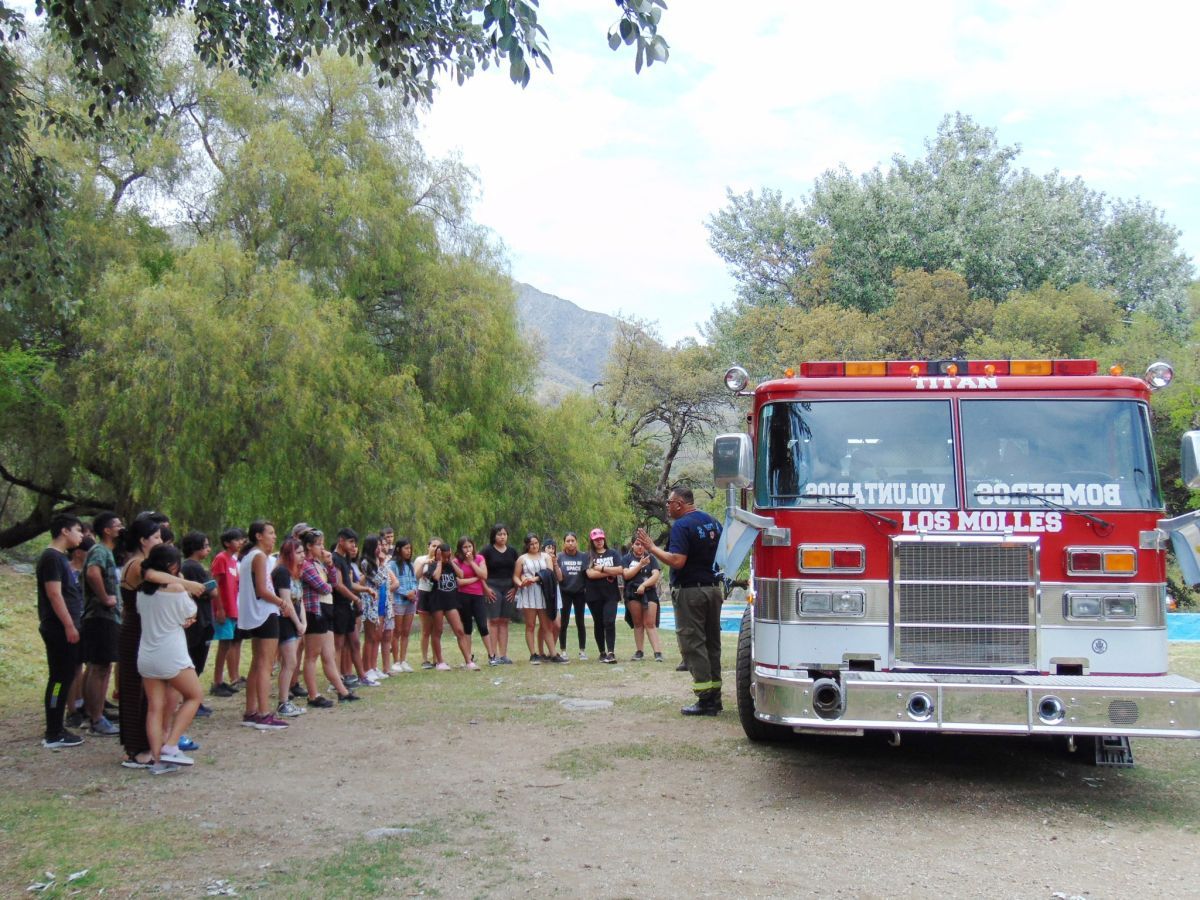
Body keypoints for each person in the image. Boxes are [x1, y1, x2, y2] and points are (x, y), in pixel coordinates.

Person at [118, 516, 205, 768]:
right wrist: (186, 583)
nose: (159, 541)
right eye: (156, 537)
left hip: (144, 633)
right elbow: (154, 575)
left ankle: (153, 748)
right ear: (143, 540)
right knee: (137, 696)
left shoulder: (142, 568)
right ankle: (138, 748)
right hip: (140, 632)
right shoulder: (139, 566)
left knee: (150, 700)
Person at [636, 486, 724, 716]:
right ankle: (716, 697)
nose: (666, 506)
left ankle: (705, 700)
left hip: (691, 592)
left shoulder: (682, 526)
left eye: (669, 502)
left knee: (693, 643)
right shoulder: (712, 521)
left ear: (680, 504)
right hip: (713, 589)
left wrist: (652, 548)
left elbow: (677, 561)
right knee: (712, 642)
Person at [137, 544, 203, 767]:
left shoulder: (141, 591)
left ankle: (157, 759)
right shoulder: (175, 589)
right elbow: (190, 611)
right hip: (171, 653)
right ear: (173, 566)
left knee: (155, 707)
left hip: (146, 654)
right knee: (194, 696)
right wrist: (184, 585)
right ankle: (172, 744)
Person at [37, 514, 86, 749]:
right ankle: (53, 732)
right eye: (77, 530)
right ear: (64, 531)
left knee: (65, 676)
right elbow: (54, 594)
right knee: (59, 679)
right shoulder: (51, 558)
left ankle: (57, 728)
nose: (81, 535)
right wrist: (68, 625)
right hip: (58, 629)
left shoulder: (60, 558)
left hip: (67, 627)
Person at [237, 521, 289, 730]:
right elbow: (262, 589)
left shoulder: (251, 556)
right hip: (264, 613)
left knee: (257, 663)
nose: (274, 536)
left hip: (254, 614)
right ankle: (264, 713)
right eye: (270, 532)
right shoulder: (258, 556)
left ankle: (251, 710)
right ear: (258, 536)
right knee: (265, 665)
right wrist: (281, 602)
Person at [297, 530, 358, 706]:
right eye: (318, 544)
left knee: (329, 655)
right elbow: (324, 587)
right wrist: (329, 584)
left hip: (326, 609)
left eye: (323, 544)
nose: (322, 548)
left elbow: (331, 581)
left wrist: (330, 564)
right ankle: (313, 695)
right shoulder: (307, 565)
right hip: (315, 611)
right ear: (309, 546)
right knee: (311, 655)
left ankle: (343, 692)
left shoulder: (319, 564)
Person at [80, 511, 123, 737]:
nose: (121, 528)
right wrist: (106, 598)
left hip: (106, 617)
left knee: (99, 667)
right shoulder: (100, 550)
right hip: (100, 616)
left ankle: (94, 714)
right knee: (100, 668)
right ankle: (96, 718)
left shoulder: (108, 552)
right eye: (118, 525)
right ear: (107, 530)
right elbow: (92, 572)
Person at [179, 531, 216, 721]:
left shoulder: (192, 566)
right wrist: (211, 590)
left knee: (197, 660)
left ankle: (192, 699)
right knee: (195, 660)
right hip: (199, 619)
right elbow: (207, 590)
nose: (208, 549)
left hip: (202, 617)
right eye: (206, 545)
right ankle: (190, 699)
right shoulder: (192, 567)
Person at [425, 542, 478, 670]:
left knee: (459, 630)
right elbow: (436, 577)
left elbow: (461, 575)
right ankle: (440, 662)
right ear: (438, 554)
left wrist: (450, 561)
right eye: (443, 555)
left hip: (451, 601)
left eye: (448, 555)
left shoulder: (450, 564)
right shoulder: (432, 565)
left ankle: (468, 661)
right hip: (437, 601)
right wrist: (439, 562)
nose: (445, 558)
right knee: (438, 631)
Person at [271, 537, 307, 717]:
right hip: (285, 622)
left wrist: (303, 622)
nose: (302, 556)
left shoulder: (294, 574)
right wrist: (298, 623)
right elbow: (286, 602)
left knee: (291, 662)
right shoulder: (282, 572)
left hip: (295, 622)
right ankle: (283, 702)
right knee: (290, 662)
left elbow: (300, 600)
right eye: (298, 553)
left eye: (303, 552)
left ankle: (285, 700)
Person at [330, 528, 370, 687]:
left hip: (347, 606)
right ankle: (336, 679)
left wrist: (366, 589)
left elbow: (349, 583)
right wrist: (354, 597)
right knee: (338, 644)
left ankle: (362, 676)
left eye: (354, 542)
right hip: (338, 605)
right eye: (351, 542)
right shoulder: (335, 559)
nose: (354, 546)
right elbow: (338, 585)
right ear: (341, 540)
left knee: (354, 641)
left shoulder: (345, 559)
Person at [209, 527, 246, 697]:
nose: (240, 542)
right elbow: (214, 584)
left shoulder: (233, 561)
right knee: (223, 645)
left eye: (241, 539)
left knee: (228, 644)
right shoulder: (221, 559)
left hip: (233, 608)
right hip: (224, 608)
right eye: (236, 540)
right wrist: (220, 609)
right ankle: (217, 681)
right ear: (226, 543)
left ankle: (221, 680)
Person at [453, 536, 495, 664]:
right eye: (465, 547)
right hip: (463, 596)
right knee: (467, 627)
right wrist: (476, 578)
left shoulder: (479, 558)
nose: (468, 549)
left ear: (473, 546)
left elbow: (484, 575)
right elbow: (459, 581)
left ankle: (491, 655)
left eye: (469, 546)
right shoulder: (456, 562)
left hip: (478, 595)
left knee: (483, 625)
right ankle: (468, 656)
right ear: (460, 549)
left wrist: (471, 562)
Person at [583, 528, 623, 664]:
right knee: (598, 623)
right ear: (592, 541)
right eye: (596, 540)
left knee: (609, 621)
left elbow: (620, 570)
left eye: (601, 538)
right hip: (594, 595)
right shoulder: (588, 556)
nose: (599, 541)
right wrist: (609, 572)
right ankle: (602, 652)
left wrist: (601, 568)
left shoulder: (613, 553)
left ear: (604, 539)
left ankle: (611, 652)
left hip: (611, 594)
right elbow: (590, 574)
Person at [480, 524, 518, 665]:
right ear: (494, 536)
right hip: (492, 586)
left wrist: (515, 588)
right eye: (499, 534)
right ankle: (493, 655)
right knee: (494, 620)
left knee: (504, 621)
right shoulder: (486, 551)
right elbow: (480, 572)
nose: (502, 537)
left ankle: (503, 655)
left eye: (504, 534)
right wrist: (485, 588)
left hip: (508, 587)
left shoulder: (513, 551)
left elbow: (517, 571)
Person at [514, 533, 553, 664]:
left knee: (546, 625)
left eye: (536, 543)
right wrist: (521, 583)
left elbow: (549, 572)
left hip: (543, 592)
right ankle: (533, 654)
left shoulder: (546, 556)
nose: (534, 546)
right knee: (530, 625)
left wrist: (535, 578)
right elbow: (516, 575)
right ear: (527, 545)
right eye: (531, 544)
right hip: (528, 592)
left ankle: (553, 653)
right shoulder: (522, 559)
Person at [623, 538, 664, 662]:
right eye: (637, 544)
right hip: (632, 593)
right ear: (632, 545)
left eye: (642, 545)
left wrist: (644, 585)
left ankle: (658, 653)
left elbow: (655, 575)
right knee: (638, 623)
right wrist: (640, 564)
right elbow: (626, 575)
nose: (640, 547)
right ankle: (639, 651)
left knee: (649, 623)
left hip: (649, 592)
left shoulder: (651, 558)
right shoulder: (626, 559)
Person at [557, 532, 588, 660]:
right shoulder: (559, 557)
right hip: (565, 593)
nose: (570, 543)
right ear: (564, 543)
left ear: (576, 542)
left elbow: (587, 574)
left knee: (580, 622)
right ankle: (563, 650)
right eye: (568, 541)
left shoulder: (584, 556)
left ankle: (582, 650)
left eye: (572, 540)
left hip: (580, 593)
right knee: (563, 623)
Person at [388, 539, 417, 673]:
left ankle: (403, 659)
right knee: (397, 631)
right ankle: (395, 661)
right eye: (406, 548)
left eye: (410, 549)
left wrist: (414, 591)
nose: (409, 551)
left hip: (410, 602)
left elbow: (414, 581)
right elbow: (392, 583)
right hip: (399, 601)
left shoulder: (410, 565)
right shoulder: (392, 564)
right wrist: (406, 593)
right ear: (399, 549)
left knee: (406, 631)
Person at [412, 538, 440, 669]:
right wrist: (424, 564)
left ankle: (436, 658)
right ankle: (424, 659)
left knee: (436, 629)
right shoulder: (420, 559)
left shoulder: (442, 561)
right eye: (433, 546)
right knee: (425, 630)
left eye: (438, 546)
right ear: (428, 546)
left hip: (437, 594)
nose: (435, 549)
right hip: (424, 594)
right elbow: (416, 576)